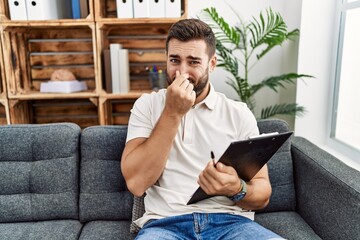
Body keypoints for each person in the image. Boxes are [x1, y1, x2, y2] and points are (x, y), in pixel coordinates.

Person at [121, 18, 284, 240]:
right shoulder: (147, 106)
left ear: (212, 64)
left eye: (194, 62)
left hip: (231, 224)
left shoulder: (238, 113)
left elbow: (263, 194)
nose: (182, 73)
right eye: (175, 60)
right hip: (164, 225)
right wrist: (172, 112)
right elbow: (136, 184)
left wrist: (235, 188)